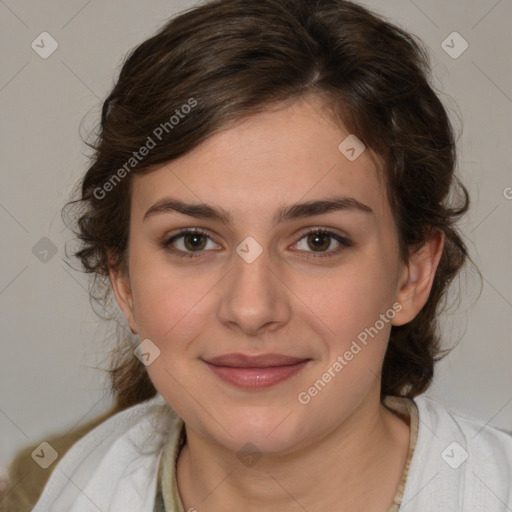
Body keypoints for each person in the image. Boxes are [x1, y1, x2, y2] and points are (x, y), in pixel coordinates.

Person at [2, 0, 511, 510]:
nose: (251, 310)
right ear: (124, 279)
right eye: (193, 241)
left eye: (318, 240)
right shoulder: (40, 490)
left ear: (412, 274)